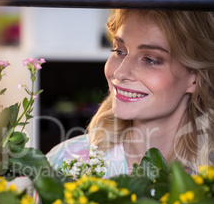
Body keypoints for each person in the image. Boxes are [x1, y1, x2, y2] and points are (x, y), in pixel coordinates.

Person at [47, 9, 214, 177]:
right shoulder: (65, 163)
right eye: (119, 51)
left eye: (150, 60)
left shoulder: (208, 173)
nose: (120, 73)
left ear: (196, 77)